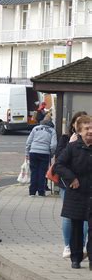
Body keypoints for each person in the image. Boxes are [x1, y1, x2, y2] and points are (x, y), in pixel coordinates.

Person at [54, 115, 92, 270]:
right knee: (76, 228)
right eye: (87, 129)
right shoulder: (72, 147)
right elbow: (59, 165)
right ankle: (75, 258)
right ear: (80, 131)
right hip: (77, 193)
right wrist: (72, 179)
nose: (90, 131)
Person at [25, 116, 57, 197]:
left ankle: (32, 192)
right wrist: (51, 154)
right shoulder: (52, 131)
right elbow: (53, 145)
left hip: (33, 152)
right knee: (42, 173)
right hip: (45, 153)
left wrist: (27, 153)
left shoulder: (35, 128)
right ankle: (41, 192)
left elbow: (28, 142)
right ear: (50, 122)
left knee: (34, 172)